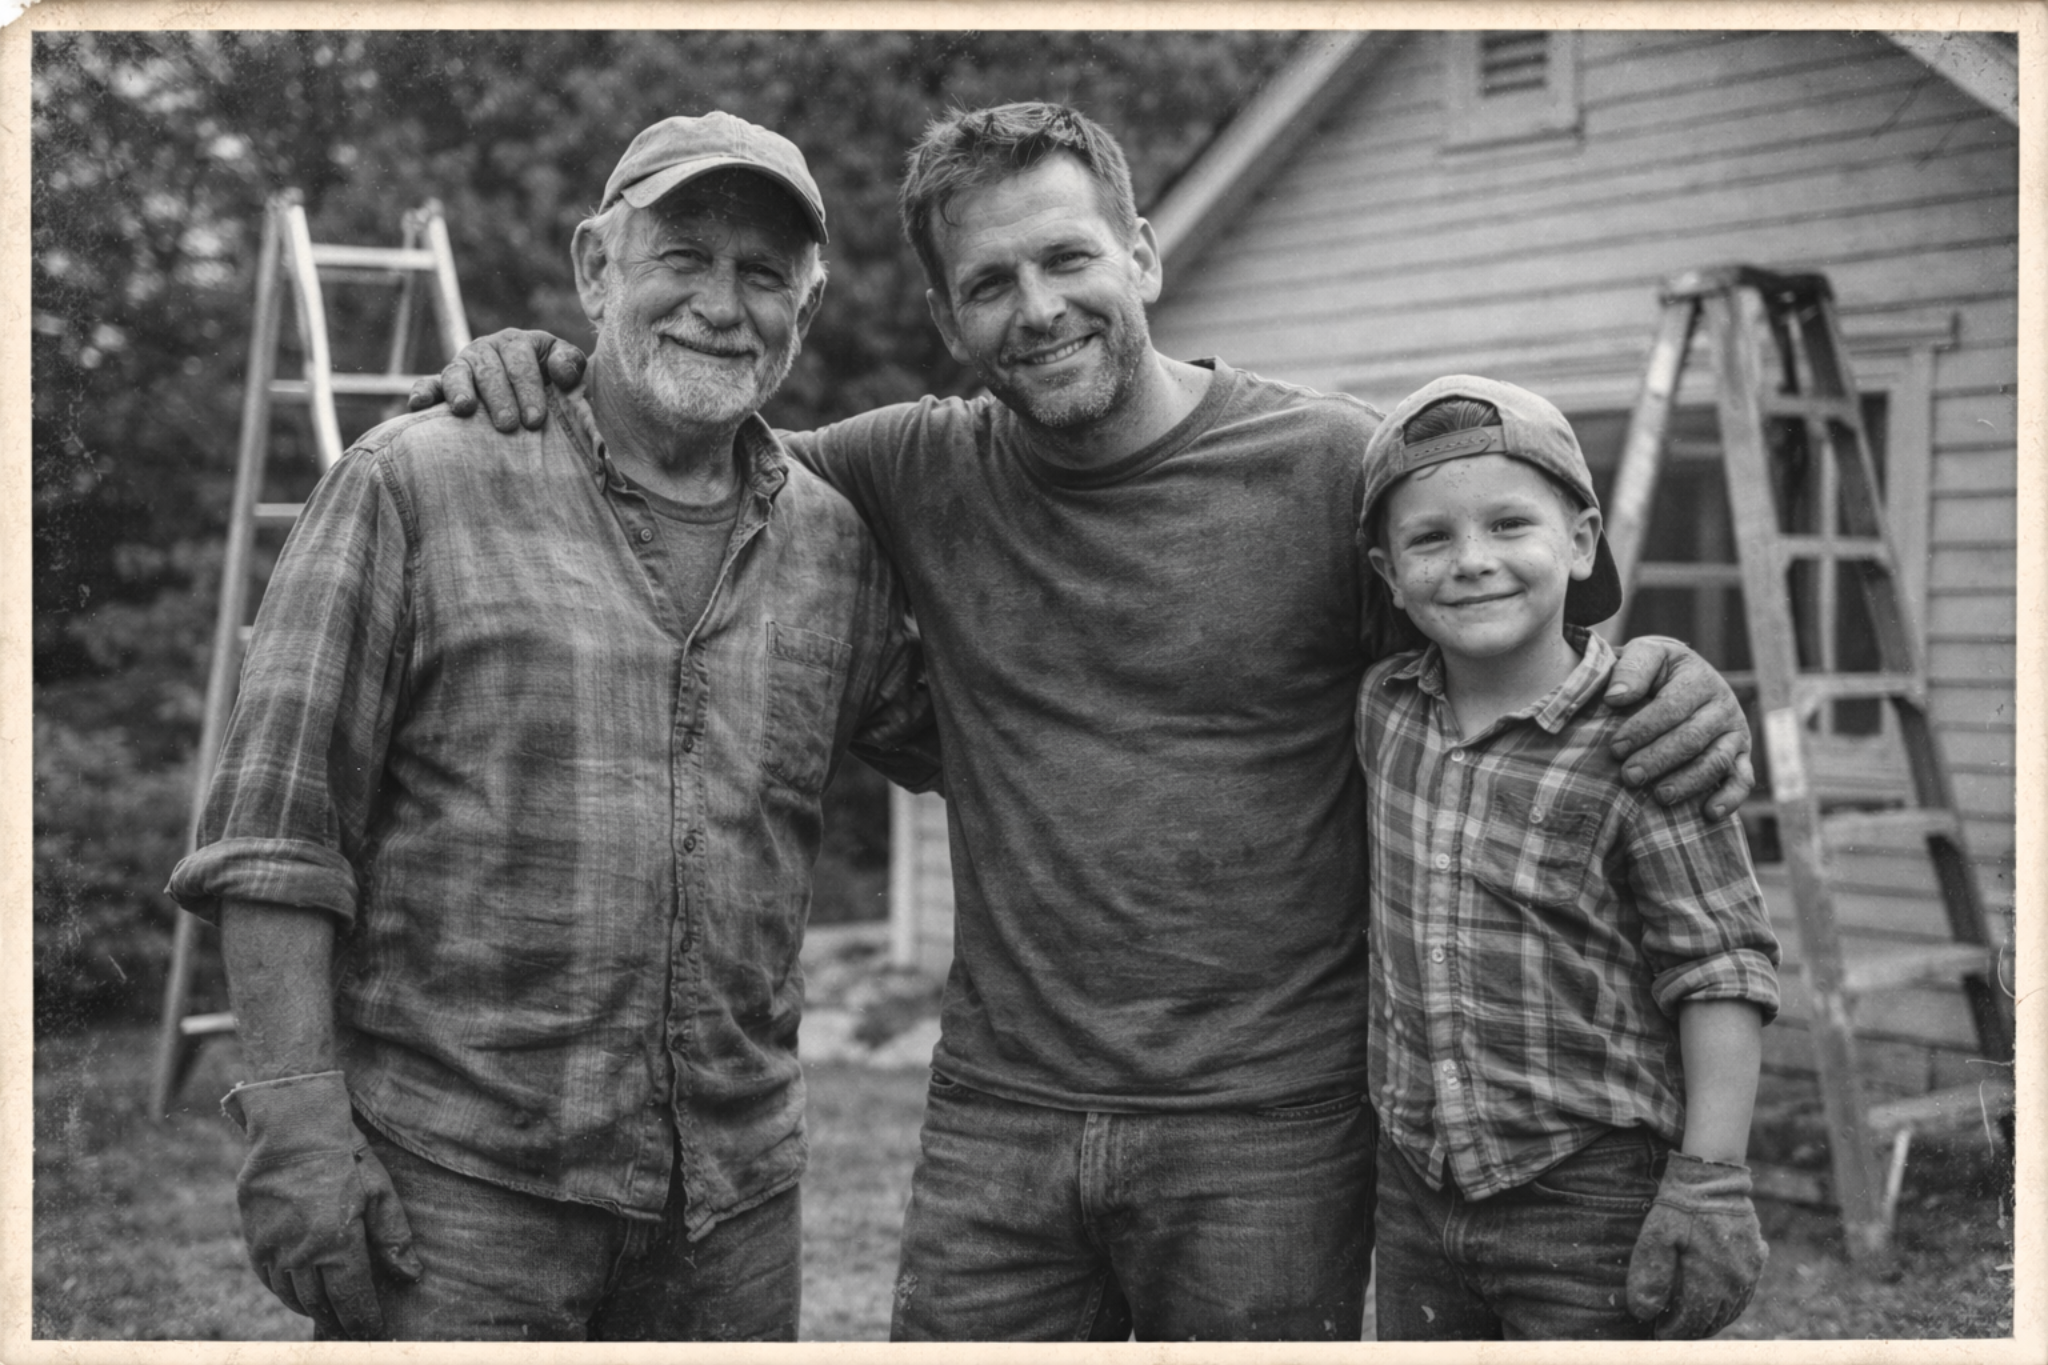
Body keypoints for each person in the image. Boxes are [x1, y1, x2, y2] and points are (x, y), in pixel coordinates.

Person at [413, 102, 1757, 1342]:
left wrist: (1660, 676)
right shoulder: (904, 468)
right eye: (990, 283)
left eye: (1067, 260)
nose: (1038, 307)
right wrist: (545, 372)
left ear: (1145, 255)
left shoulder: (1331, 470)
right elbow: (687, 446)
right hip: (1000, 1118)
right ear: (948, 316)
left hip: (1267, 1128)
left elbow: (1507, 645)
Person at [167, 112, 937, 1342]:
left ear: (809, 302)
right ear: (595, 268)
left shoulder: (835, 548)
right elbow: (273, 837)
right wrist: (297, 1126)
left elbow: (983, 735)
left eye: (761, 275)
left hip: (732, 1211)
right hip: (458, 1199)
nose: (720, 305)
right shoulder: (415, 480)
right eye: (681, 257)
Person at [1355, 374, 1779, 1341]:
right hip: (1416, 1182)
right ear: (1386, 572)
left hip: (1587, 1188)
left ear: (1582, 540)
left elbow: (1718, 964)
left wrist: (1710, 1180)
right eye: (1431, 538)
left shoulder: (1644, 735)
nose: (1472, 562)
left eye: (1511, 525)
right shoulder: (1379, 708)